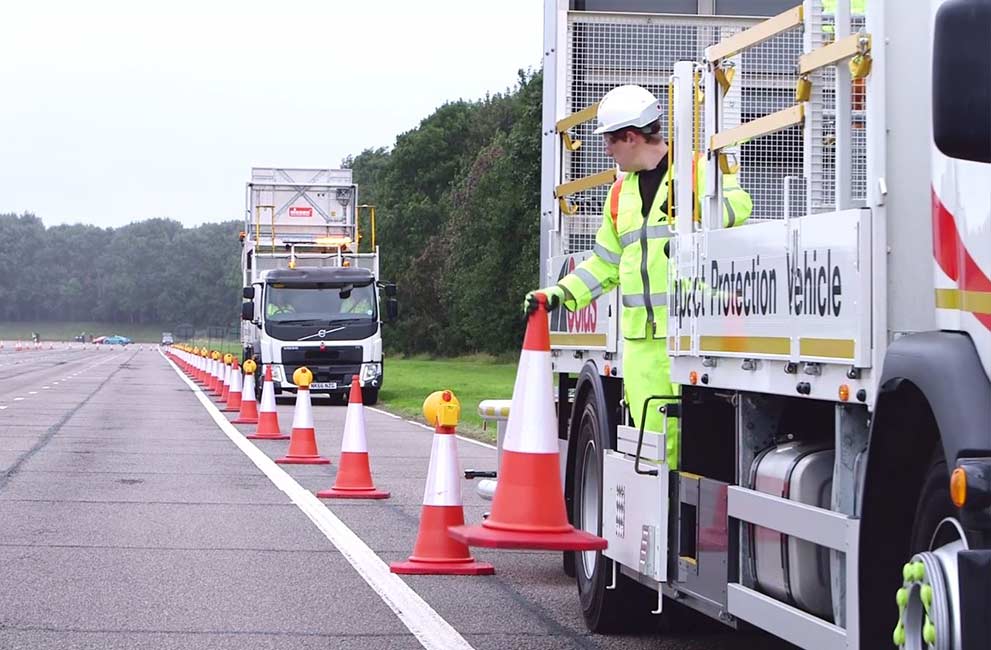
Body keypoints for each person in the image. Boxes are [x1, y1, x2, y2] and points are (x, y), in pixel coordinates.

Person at [524, 84, 753, 469]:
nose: (606, 150)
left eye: (610, 141)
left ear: (631, 137)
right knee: (654, 447)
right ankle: (665, 519)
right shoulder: (618, 195)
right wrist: (558, 294)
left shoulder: (697, 170)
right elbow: (604, 264)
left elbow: (739, 205)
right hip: (642, 345)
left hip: (691, 334)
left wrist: (693, 213)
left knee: (696, 443)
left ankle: (684, 520)